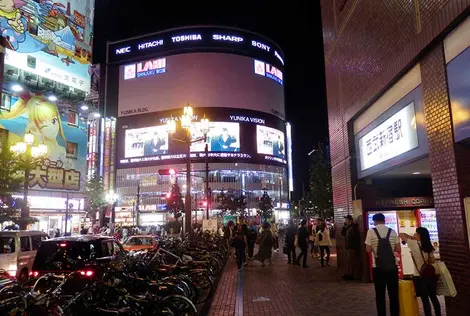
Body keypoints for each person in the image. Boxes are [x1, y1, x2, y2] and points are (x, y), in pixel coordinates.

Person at [400, 227, 441, 316]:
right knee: (434, 298)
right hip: (431, 276)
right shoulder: (429, 246)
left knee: (425, 299)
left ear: (418, 235)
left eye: (415, 233)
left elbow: (401, 234)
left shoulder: (414, 244)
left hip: (420, 276)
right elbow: (433, 261)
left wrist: (412, 237)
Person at [365, 213, 401, 316]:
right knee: (394, 294)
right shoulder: (392, 232)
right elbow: (398, 249)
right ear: (384, 220)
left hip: (378, 267)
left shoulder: (371, 232)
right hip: (392, 267)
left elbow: (367, 249)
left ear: (374, 221)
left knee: (380, 294)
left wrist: (375, 250)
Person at [342, 215, 360, 280]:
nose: (345, 221)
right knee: (349, 261)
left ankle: (352, 275)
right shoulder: (348, 227)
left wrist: (352, 245)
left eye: (346, 220)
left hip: (352, 247)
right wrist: (344, 227)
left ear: (350, 220)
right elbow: (343, 234)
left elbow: (355, 237)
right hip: (348, 247)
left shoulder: (353, 228)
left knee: (352, 261)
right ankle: (349, 274)